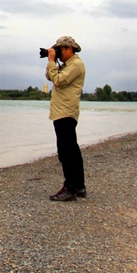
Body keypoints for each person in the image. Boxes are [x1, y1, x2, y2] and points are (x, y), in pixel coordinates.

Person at [46, 35, 86, 202]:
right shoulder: (66, 65)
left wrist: (51, 61)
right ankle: (79, 186)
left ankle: (70, 187)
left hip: (66, 112)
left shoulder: (76, 64)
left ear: (70, 49)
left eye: (60, 49)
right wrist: (52, 61)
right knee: (69, 150)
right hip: (61, 112)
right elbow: (49, 76)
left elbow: (58, 80)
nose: (58, 52)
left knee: (67, 151)